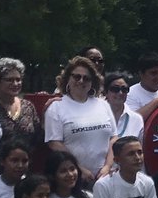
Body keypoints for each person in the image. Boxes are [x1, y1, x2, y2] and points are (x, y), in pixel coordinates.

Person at [43, 56, 115, 185]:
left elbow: (113, 138)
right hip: (73, 178)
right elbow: (54, 143)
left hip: (105, 177)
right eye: (76, 77)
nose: (81, 81)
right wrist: (79, 169)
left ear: (93, 82)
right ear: (67, 79)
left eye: (86, 78)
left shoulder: (103, 105)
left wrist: (107, 167)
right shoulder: (56, 107)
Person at [0, 57, 41, 149]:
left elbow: (38, 136)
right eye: (9, 80)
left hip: (25, 161)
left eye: (18, 80)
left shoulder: (28, 106)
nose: (15, 83)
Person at [104, 72, 145, 141]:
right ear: (106, 92)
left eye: (124, 89)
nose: (120, 93)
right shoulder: (96, 116)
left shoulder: (136, 119)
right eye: (115, 89)